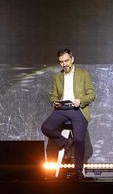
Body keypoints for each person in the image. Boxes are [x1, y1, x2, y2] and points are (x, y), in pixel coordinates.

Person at [40, 49, 96, 179]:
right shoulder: (57, 77)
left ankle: (78, 170)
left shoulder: (83, 74)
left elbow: (92, 94)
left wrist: (81, 101)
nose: (64, 64)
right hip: (62, 109)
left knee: (79, 139)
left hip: (78, 109)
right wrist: (54, 102)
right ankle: (67, 143)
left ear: (72, 59)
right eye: (61, 62)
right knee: (46, 127)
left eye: (66, 61)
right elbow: (53, 95)